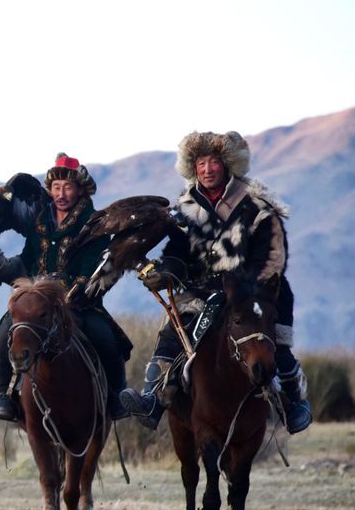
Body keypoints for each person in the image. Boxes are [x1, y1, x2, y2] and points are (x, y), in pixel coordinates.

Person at [118, 131, 313, 434]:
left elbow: (273, 257)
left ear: (227, 165)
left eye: (214, 162)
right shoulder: (186, 208)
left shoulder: (257, 206)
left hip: (255, 292)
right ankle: (152, 400)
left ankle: (292, 401)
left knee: (274, 345)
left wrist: (244, 289)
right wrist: (165, 272)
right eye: (201, 163)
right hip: (201, 291)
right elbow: (178, 253)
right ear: (192, 168)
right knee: (171, 335)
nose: (207, 169)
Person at [0, 154, 132, 422]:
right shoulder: (39, 223)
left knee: (106, 337)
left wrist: (73, 288)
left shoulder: (95, 223)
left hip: (80, 301)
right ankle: (2, 395)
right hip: (36, 302)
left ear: (79, 189)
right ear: (50, 190)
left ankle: (116, 396)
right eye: (56, 187)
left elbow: (93, 264)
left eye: (68, 187)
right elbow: (27, 260)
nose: (61, 194)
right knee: (4, 333)